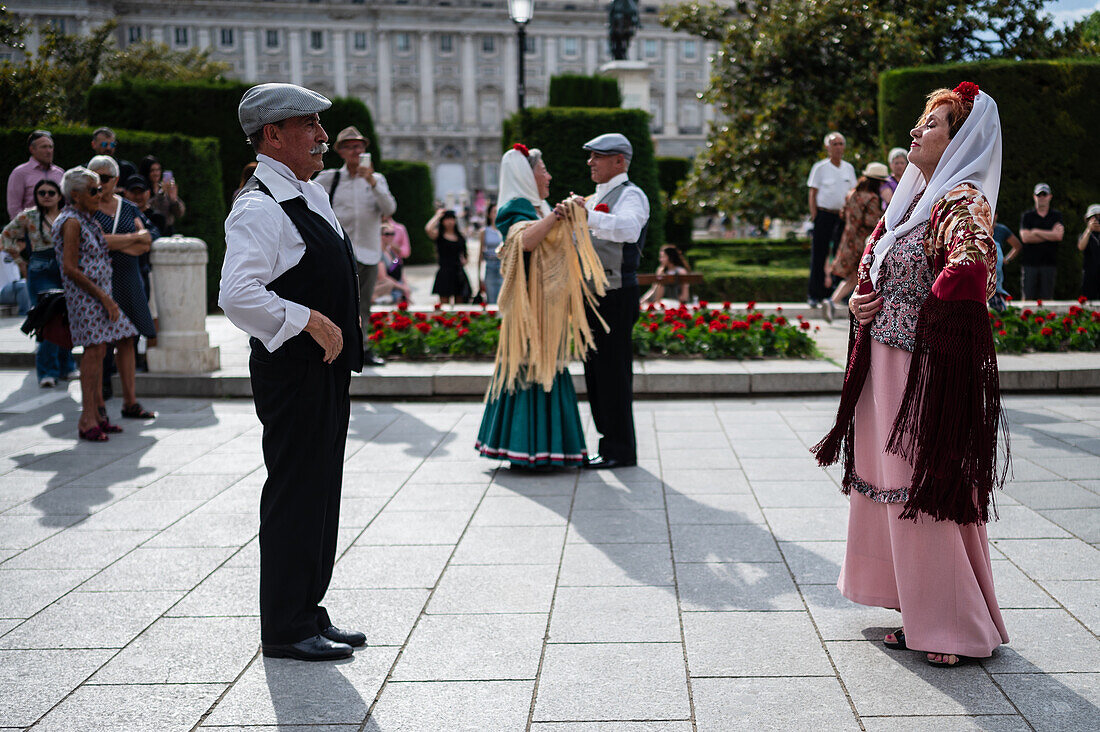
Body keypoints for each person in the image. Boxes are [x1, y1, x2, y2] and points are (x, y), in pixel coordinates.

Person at [813, 82, 1009, 668]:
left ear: (959, 140)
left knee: (922, 490)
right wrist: (861, 303)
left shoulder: (959, 199)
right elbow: (873, 265)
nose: (915, 133)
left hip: (919, 370)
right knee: (894, 486)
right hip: (885, 364)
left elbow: (972, 267)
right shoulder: (915, 198)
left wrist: (926, 320)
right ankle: (919, 607)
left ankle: (953, 626)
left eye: (930, 125)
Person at [219, 82, 365, 662]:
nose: (323, 136)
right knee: (295, 492)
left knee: (319, 491)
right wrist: (306, 318)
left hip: (324, 371)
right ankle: (284, 626)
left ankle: (307, 610)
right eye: (310, 125)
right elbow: (236, 295)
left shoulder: (305, 194)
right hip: (294, 372)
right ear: (272, 135)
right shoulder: (259, 206)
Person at [475, 144, 605, 469]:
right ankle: (533, 449)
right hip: (530, 308)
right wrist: (558, 216)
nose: (549, 175)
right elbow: (524, 241)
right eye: (542, 169)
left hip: (545, 303)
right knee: (533, 367)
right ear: (525, 174)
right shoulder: (515, 206)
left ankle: (539, 449)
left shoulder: (538, 206)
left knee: (545, 366)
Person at [569, 132, 650, 470]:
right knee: (596, 374)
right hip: (592, 296)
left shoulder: (632, 195)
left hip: (616, 295)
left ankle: (620, 449)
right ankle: (608, 444)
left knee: (614, 375)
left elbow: (629, 229)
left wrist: (586, 214)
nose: (590, 162)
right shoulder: (593, 197)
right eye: (590, 156)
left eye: (597, 156)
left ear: (619, 161)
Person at [54, 167, 139, 442]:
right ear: (75, 195)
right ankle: (86, 418)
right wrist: (103, 298)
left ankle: (99, 414)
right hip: (86, 298)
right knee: (93, 354)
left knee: (103, 349)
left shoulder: (86, 219)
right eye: (93, 190)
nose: (99, 193)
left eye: (99, 188)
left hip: (98, 294)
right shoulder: (72, 222)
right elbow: (69, 268)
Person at [315, 126, 396, 366]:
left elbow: (390, 209)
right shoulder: (331, 178)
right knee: (336, 302)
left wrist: (371, 180)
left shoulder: (376, 180)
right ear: (340, 151)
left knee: (364, 304)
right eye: (350, 146)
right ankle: (334, 347)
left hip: (370, 252)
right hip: (338, 254)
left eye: (359, 146)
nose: (355, 151)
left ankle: (362, 348)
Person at [87, 155, 156, 420]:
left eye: (103, 178)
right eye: (93, 177)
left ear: (115, 180)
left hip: (128, 277)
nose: (98, 183)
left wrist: (110, 241)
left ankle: (130, 402)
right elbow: (94, 242)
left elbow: (146, 241)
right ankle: (97, 404)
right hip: (99, 281)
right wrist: (129, 240)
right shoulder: (88, 208)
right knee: (99, 344)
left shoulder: (128, 208)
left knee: (128, 339)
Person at [1, 179, 78, 387]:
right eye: (41, 192)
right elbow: (5, 237)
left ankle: (67, 366)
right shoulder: (29, 216)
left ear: (59, 195)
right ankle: (47, 371)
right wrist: (20, 262)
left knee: (66, 318)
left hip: (65, 268)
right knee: (47, 317)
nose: (46, 196)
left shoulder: (68, 215)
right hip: (40, 268)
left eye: (51, 192)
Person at [826, 162, 888, 318]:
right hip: (862, 241)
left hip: (848, 238)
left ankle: (833, 301)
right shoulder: (872, 198)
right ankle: (835, 302)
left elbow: (842, 213)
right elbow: (871, 221)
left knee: (853, 276)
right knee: (857, 276)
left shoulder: (851, 194)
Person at [806, 132, 857, 308]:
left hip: (842, 216)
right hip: (824, 214)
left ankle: (836, 294)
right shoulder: (820, 168)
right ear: (827, 147)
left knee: (841, 255)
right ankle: (814, 294)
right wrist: (815, 216)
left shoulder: (848, 168)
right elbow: (812, 193)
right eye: (834, 144)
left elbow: (853, 194)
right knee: (819, 255)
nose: (838, 147)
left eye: (841, 143)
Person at [1019, 183, 1064, 300]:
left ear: (1050, 197)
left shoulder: (1056, 216)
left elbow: (1058, 236)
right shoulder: (1027, 216)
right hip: (1029, 264)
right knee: (1027, 299)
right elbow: (1025, 238)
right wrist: (1050, 234)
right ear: (1034, 197)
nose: (1042, 197)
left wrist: (1035, 231)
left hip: (1049, 264)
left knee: (1047, 300)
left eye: (1045, 194)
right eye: (1039, 195)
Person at [7, 130, 64, 218]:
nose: (49, 151)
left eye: (51, 147)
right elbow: (14, 208)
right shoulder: (19, 173)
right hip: (30, 227)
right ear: (32, 149)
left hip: (56, 227)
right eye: (44, 147)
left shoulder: (60, 172)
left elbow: (66, 204)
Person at [427, 208, 471, 305]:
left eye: (452, 219)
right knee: (444, 303)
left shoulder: (460, 237)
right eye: (447, 219)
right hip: (445, 271)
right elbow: (428, 229)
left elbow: (465, 254)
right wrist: (438, 215)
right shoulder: (440, 236)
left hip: (458, 271)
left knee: (460, 303)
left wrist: (465, 261)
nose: (450, 222)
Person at [138, 155, 186, 235]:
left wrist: (173, 199)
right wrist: (161, 193)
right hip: (150, 230)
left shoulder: (166, 188)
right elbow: (146, 207)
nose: (156, 173)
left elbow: (179, 213)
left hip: (168, 231)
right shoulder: (141, 189)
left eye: (158, 170)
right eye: (152, 170)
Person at [989, 214, 1022, 312]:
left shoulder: (1002, 230)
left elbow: (1017, 246)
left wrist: (1006, 259)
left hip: (996, 274)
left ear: (996, 215)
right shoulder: (979, 228)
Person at [374, 223, 412, 304]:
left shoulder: (392, 251)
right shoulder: (379, 254)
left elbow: (400, 269)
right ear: (379, 235)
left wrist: (405, 285)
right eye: (387, 234)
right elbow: (383, 277)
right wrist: (402, 287)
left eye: (392, 234)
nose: (390, 236)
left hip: (397, 285)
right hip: (389, 288)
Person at [477, 202, 503, 304]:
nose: (496, 214)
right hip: (490, 265)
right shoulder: (485, 231)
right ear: (489, 214)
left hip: (502, 265)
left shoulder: (504, 230)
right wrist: (479, 276)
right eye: (494, 212)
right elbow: (480, 254)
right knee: (491, 298)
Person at [1079, 203, 1100, 301]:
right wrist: (1088, 230)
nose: (1096, 221)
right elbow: (1081, 246)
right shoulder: (1085, 234)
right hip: (1089, 274)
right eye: (1093, 218)